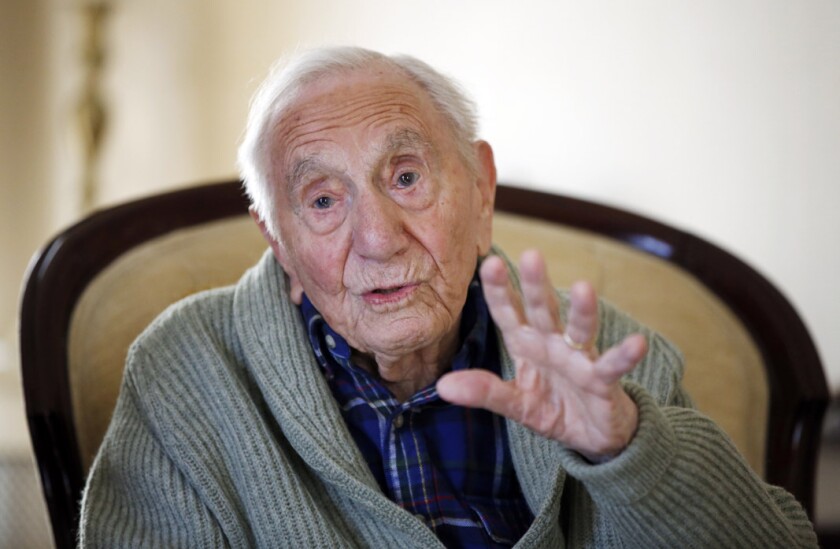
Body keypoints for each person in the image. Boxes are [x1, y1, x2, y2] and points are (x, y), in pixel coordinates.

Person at [79, 47, 818, 548]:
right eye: (323, 199)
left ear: (481, 188)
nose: (379, 238)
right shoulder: (186, 373)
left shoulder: (595, 361)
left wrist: (628, 449)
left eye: (405, 177)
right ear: (277, 241)